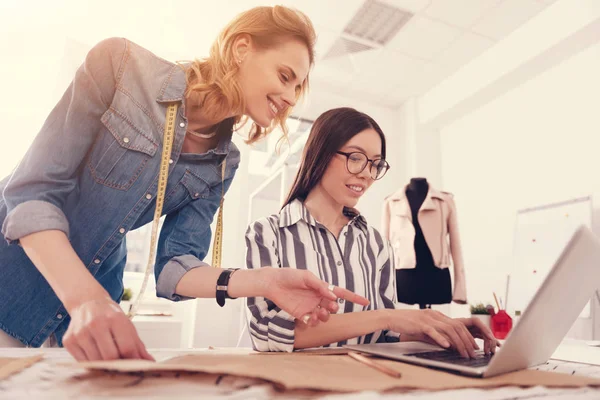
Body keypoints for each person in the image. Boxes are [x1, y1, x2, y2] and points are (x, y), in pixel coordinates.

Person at [0, 6, 369, 361]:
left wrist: (265, 282)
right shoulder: (121, 67)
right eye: (285, 77)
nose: (290, 97)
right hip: (14, 282)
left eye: (298, 86)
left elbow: (175, 267)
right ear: (242, 49)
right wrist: (86, 300)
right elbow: (31, 193)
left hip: (89, 314)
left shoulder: (224, 163)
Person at [245, 108, 499, 357]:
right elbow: (264, 333)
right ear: (320, 153)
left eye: (375, 164)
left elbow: (384, 335)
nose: (367, 174)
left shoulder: (377, 244)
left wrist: (437, 330)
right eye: (355, 158)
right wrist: (385, 317)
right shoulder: (268, 233)